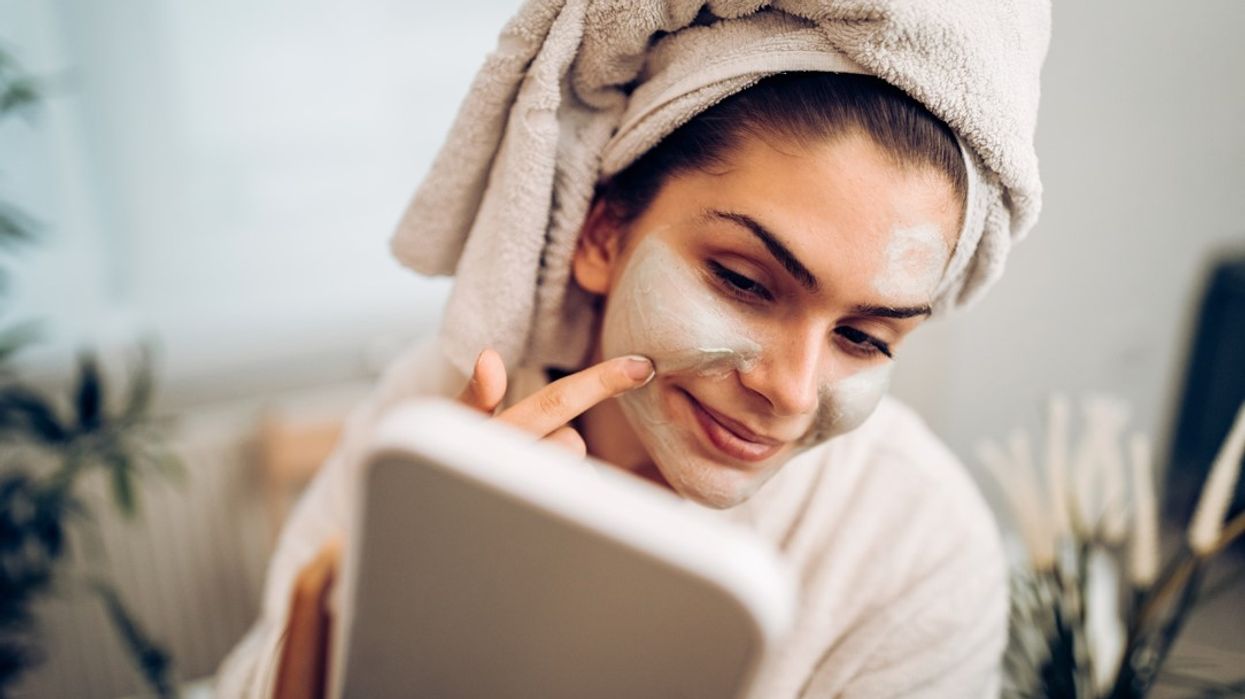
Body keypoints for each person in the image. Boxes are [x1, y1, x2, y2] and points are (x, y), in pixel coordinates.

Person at [218, 2, 1051, 697]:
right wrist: (413, 610)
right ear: (603, 231)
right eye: (744, 281)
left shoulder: (919, 552)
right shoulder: (437, 412)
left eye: (863, 337)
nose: (792, 392)